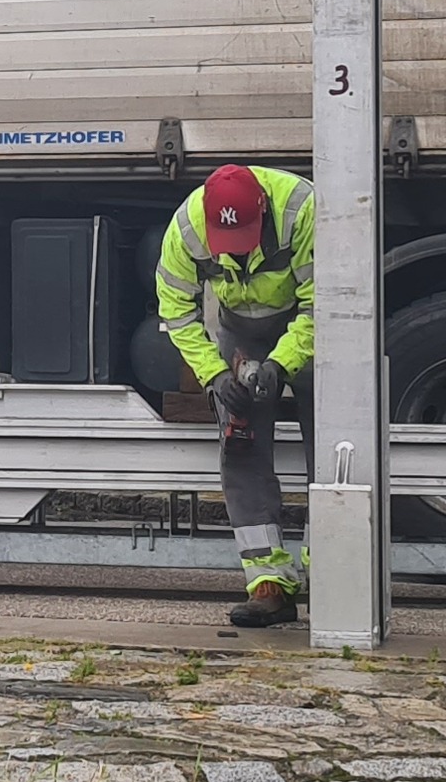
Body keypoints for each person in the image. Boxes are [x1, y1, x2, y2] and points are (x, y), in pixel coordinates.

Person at [136, 162, 319, 628]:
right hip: (242, 336)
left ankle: (334, 582)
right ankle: (269, 585)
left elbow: (326, 303)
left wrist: (281, 366)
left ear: (263, 211)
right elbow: (176, 313)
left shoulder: (304, 210)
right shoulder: (187, 228)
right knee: (240, 451)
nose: (237, 253)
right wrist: (216, 377)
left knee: (333, 449)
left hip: (315, 330)